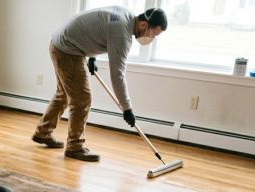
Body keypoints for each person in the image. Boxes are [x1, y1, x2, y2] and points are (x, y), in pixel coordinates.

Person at [31, 7, 167, 162]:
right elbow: (117, 74)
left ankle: (43, 132)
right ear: (144, 25)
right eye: (153, 34)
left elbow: (96, 29)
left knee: (64, 94)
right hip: (68, 50)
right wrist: (127, 108)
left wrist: (92, 56)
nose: (151, 38)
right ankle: (74, 147)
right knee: (82, 99)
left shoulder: (126, 16)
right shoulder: (122, 33)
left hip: (61, 44)